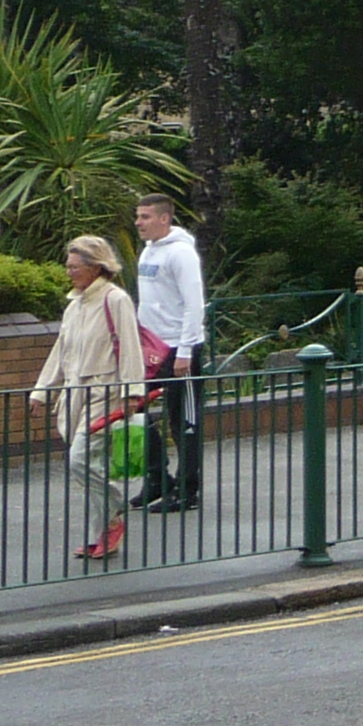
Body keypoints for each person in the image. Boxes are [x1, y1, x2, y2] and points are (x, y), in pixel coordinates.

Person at [34, 235, 149, 561]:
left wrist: (131, 394)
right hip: (74, 396)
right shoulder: (75, 305)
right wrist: (41, 391)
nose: (68, 272)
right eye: (68, 266)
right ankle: (105, 531)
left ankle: (114, 516)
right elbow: (61, 350)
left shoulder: (116, 300)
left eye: (74, 266)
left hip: (105, 395)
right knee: (87, 465)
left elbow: (129, 347)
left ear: (95, 266)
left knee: (81, 460)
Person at [129, 194, 210, 514]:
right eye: (138, 216)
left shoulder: (181, 254)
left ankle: (188, 489)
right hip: (151, 348)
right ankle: (156, 479)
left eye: (146, 217)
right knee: (133, 409)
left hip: (180, 349)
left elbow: (194, 303)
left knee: (183, 421)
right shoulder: (148, 252)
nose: (138, 222)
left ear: (165, 219)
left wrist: (186, 351)